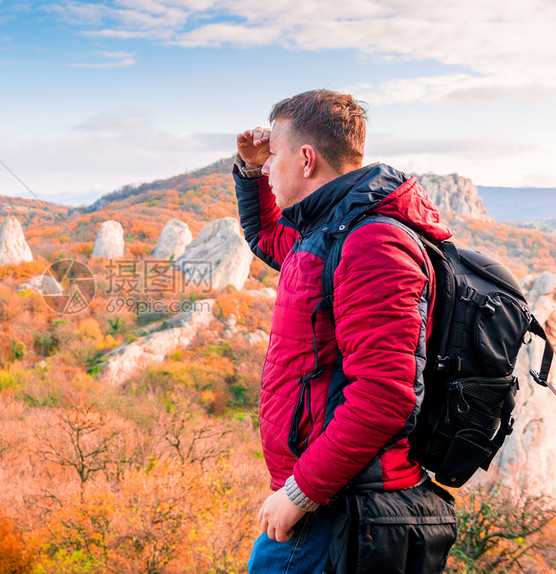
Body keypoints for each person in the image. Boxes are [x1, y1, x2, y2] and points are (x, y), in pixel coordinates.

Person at [234, 90, 453, 573]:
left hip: (339, 505)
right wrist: (249, 170)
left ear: (306, 159)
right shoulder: (330, 229)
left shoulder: (371, 241)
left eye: (273, 157)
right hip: (329, 492)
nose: (268, 169)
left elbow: (385, 393)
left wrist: (300, 492)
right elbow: (266, 239)